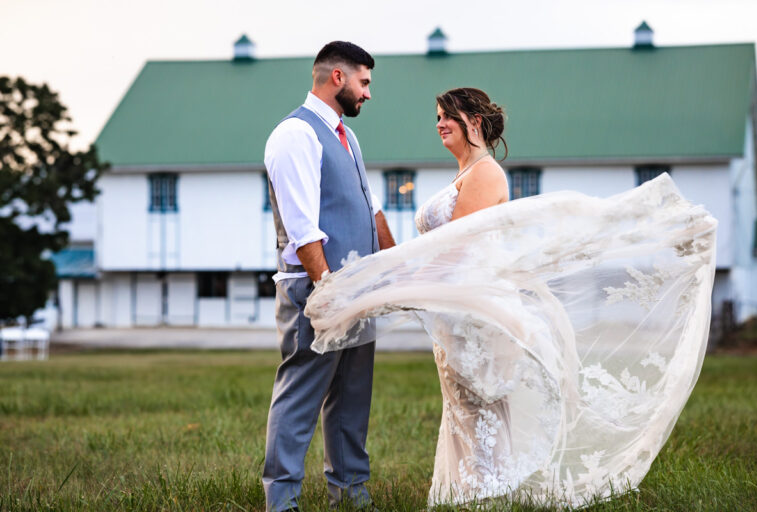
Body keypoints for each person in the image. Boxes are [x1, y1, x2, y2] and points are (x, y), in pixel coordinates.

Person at [305, 88, 717, 508]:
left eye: (447, 116)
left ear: (475, 123)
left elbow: (456, 251)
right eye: (437, 116)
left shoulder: (485, 174)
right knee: (466, 410)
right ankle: (472, 495)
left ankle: (486, 495)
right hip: (456, 312)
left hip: (478, 315)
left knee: (482, 411)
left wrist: (391, 283)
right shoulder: (465, 175)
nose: (439, 123)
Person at [262, 41, 395, 512]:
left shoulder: (346, 136)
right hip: (316, 289)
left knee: (352, 397)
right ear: (337, 78)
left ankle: (351, 495)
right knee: (300, 394)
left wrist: (394, 268)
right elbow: (303, 229)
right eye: (364, 83)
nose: (368, 94)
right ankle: (282, 502)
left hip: (357, 289)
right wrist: (328, 289)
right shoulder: (294, 135)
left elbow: (370, 208)